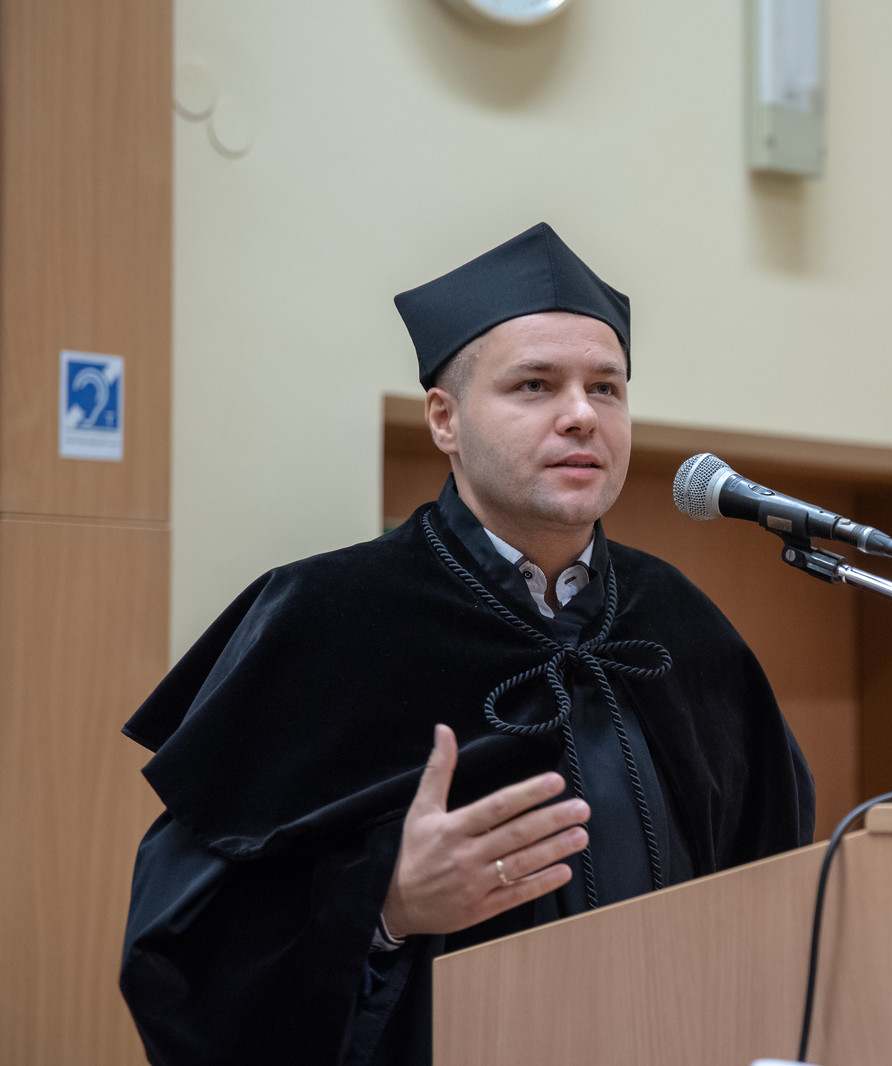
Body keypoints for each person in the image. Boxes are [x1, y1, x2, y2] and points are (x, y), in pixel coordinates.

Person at [118, 223, 815, 1066]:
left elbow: (773, 882)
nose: (581, 415)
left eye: (606, 387)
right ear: (444, 419)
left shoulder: (680, 625)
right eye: (535, 385)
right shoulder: (328, 616)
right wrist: (386, 909)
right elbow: (181, 939)